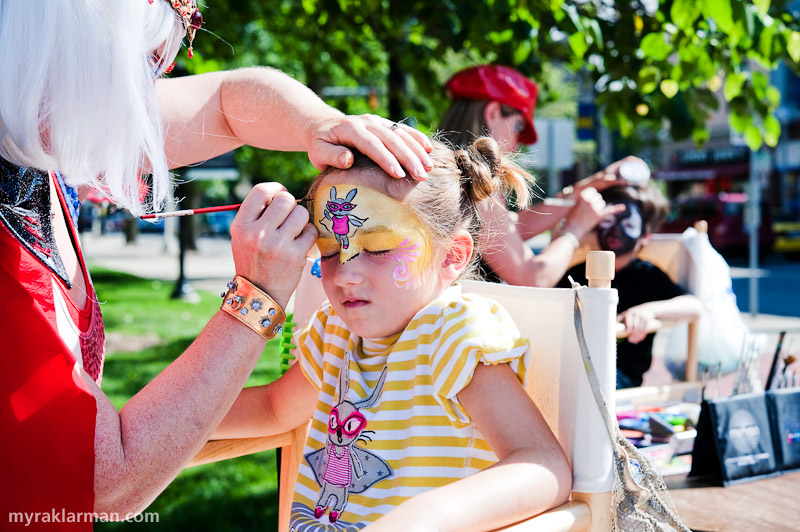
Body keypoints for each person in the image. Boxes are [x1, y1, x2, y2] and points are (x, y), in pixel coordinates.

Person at [0, 0, 433, 528]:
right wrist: (257, 298)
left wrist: (321, 124)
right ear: (62, 60)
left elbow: (228, 100)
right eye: (139, 67)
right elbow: (103, 485)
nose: (151, 94)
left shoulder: (38, 127)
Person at [213, 137, 572, 531]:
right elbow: (273, 409)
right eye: (330, 251)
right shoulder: (335, 332)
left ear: (452, 256)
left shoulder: (455, 332)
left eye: (379, 248)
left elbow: (541, 465)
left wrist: (424, 518)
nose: (346, 273)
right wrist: (148, 429)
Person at [440, 64, 633, 287]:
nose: (515, 146)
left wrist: (592, 185)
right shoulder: (473, 179)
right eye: (518, 125)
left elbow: (511, 228)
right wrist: (575, 230)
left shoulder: (446, 165)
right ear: (492, 113)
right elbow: (532, 278)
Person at [557, 184, 703, 389]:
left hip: (620, 374)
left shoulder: (648, 275)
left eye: (629, 224)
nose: (616, 230)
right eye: (608, 220)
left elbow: (694, 306)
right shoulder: (577, 272)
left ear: (645, 236)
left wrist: (648, 310)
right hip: (574, 366)